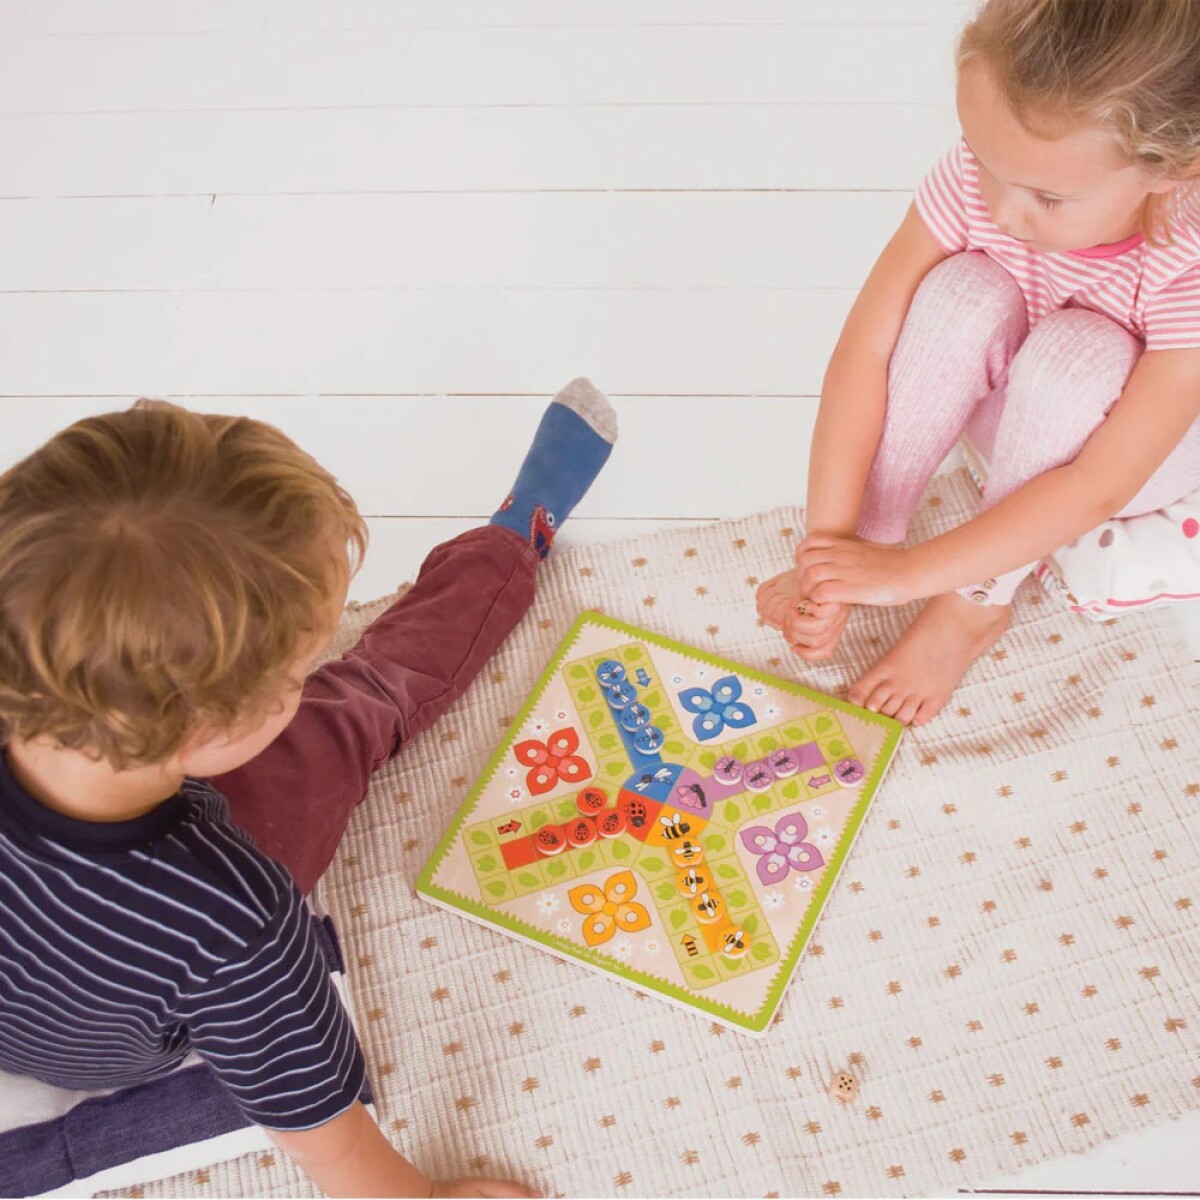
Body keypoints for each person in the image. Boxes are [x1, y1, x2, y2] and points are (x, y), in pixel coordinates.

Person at [0, 380, 616, 1197]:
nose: (306, 675)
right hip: (119, 1034)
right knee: (367, 697)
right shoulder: (236, 920)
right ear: (208, 736)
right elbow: (325, 1137)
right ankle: (510, 541)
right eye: (296, 672)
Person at [758, 0, 1200, 725]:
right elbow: (864, 350)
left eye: (1048, 197)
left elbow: (1096, 486)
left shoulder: (1185, 263)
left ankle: (973, 607)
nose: (998, 208)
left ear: (1171, 170)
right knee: (962, 291)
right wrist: (831, 550)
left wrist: (912, 578)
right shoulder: (980, 178)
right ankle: (864, 542)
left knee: (1076, 357)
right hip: (1020, 399)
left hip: (1132, 455)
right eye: (981, 156)